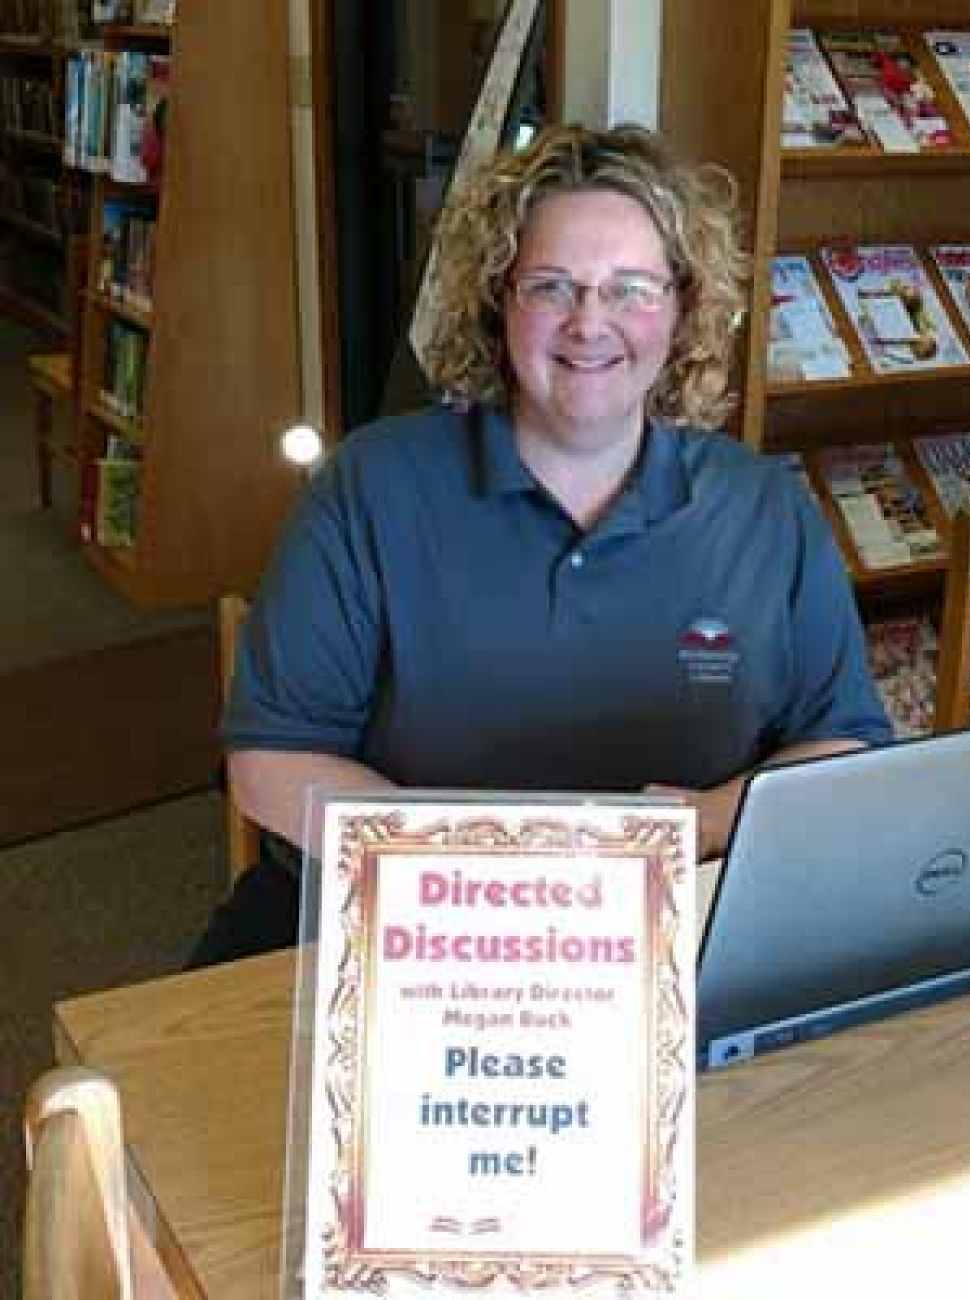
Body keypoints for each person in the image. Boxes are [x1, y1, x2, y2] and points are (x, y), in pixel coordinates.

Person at [191, 124, 891, 966]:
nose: (589, 323)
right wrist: (489, 872)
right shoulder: (373, 486)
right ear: (499, 302)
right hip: (403, 932)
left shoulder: (766, 507)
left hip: (682, 933)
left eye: (631, 288)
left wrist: (704, 821)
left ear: (684, 308)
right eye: (552, 286)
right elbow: (271, 763)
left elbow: (844, 741)